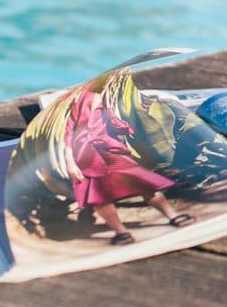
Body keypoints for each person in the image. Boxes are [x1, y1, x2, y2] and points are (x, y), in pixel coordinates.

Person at [63, 87, 194, 244]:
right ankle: (121, 231)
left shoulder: (102, 99)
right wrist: (70, 162)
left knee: (143, 183)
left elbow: (117, 124)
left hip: (109, 152)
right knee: (99, 197)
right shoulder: (77, 103)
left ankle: (171, 215)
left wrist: (127, 124)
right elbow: (68, 135)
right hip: (88, 157)